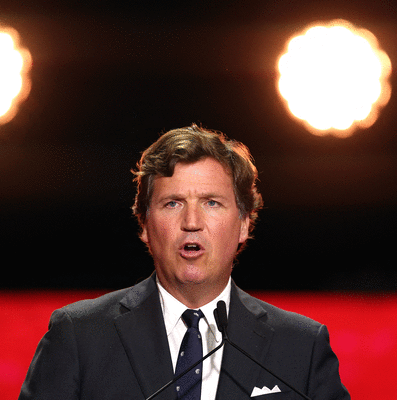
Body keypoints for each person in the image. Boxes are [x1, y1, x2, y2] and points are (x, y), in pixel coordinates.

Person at [18, 125, 350, 399]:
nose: (192, 222)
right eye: (173, 203)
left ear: (244, 224)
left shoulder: (301, 347)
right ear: (144, 225)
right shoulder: (79, 337)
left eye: (212, 203)